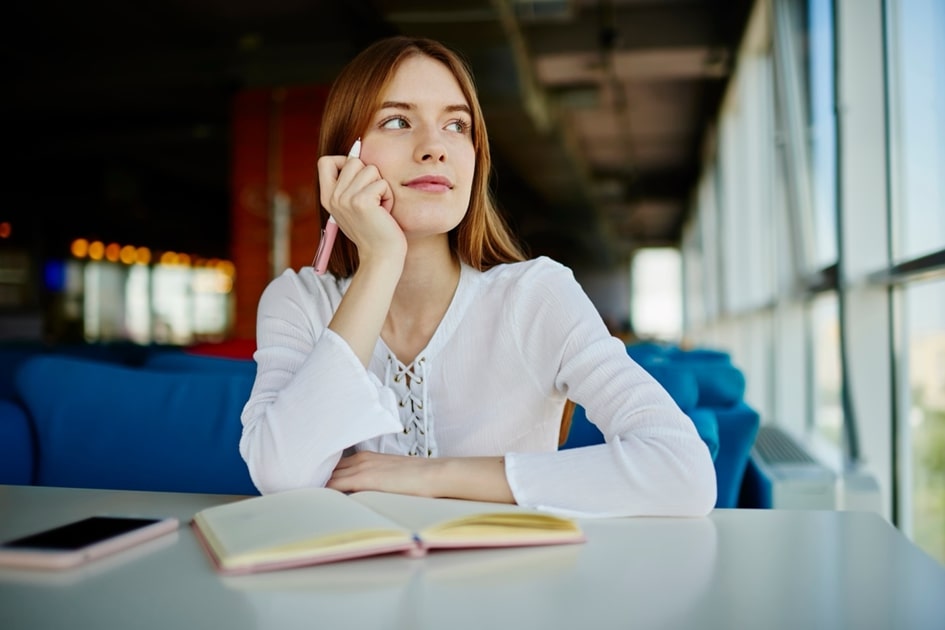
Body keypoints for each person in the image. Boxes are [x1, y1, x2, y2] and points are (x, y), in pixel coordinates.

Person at [239, 36, 716, 517]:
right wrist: (382, 259)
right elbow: (281, 474)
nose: (435, 148)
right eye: (398, 121)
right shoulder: (298, 300)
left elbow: (684, 472)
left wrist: (431, 476)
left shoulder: (535, 296)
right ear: (347, 157)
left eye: (456, 125)